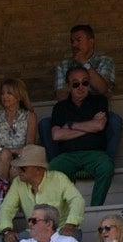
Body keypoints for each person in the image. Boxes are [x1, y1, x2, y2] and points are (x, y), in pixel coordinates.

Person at [46, 65, 115, 207]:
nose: (81, 87)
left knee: (107, 167)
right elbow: (57, 135)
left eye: (85, 82)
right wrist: (90, 126)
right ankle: (63, 211)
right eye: (76, 84)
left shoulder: (99, 101)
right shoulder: (60, 107)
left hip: (94, 153)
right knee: (50, 170)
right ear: (68, 86)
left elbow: (99, 126)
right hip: (68, 155)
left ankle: (96, 207)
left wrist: (71, 125)